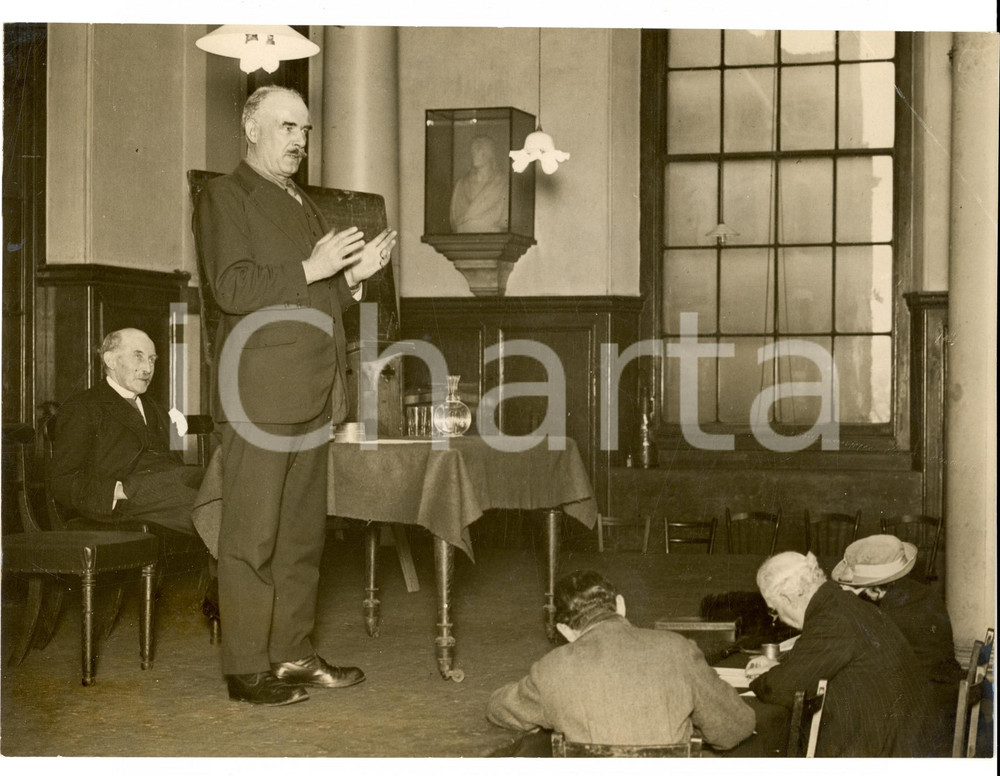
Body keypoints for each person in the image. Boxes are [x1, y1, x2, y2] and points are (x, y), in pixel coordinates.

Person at [193, 85, 396, 707]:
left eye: (304, 130)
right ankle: (246, 668)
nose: (300, 141)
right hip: (258, 394)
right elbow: (231, 287)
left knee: (302, 537)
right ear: (251, 128)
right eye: (287, 127)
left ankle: (292, 654)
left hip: (312, 392)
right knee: (252, 536)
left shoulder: (300, 200)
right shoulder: (225, 196)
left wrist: (352, 280)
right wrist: (315, 268)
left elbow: (314, 298)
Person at [486, 570, 755, 753]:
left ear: (565, 631)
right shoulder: (678, 648)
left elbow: (498, 709)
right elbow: (735, 727)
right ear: (621, 605)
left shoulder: (551, 669)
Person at [746, 551, 935, 756]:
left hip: (880, 754)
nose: (779, 618)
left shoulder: (830, 618)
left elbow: (784, 687)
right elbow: (814, 659)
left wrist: (760, 679)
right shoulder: (842, 603)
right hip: (899, 740)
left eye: (774, 610)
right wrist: (781, 667)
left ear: (787, 597)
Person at [49, 328, 209, 542]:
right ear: (111, 360)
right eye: (138, 357)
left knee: (223, 482)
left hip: (170, 484)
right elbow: (61, 481)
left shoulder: (155, 408)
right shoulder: (83, 406)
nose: (148, 368)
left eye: (152, 360)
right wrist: (117, 491)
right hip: (127, 498)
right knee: (213, 506)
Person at [831, 534, 963, 755]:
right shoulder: (923, 593)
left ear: (874, 586)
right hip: (942, 697)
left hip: (916, 720)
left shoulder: (887, 612)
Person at [449, 135, 508, 233]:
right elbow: (454, 218)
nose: (474, 153)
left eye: (479, 149)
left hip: (491, 236)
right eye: (472, 150)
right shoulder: (461, 184)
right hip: (463, 236)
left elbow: (504, 219)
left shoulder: (502, 184)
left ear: (489, 153)